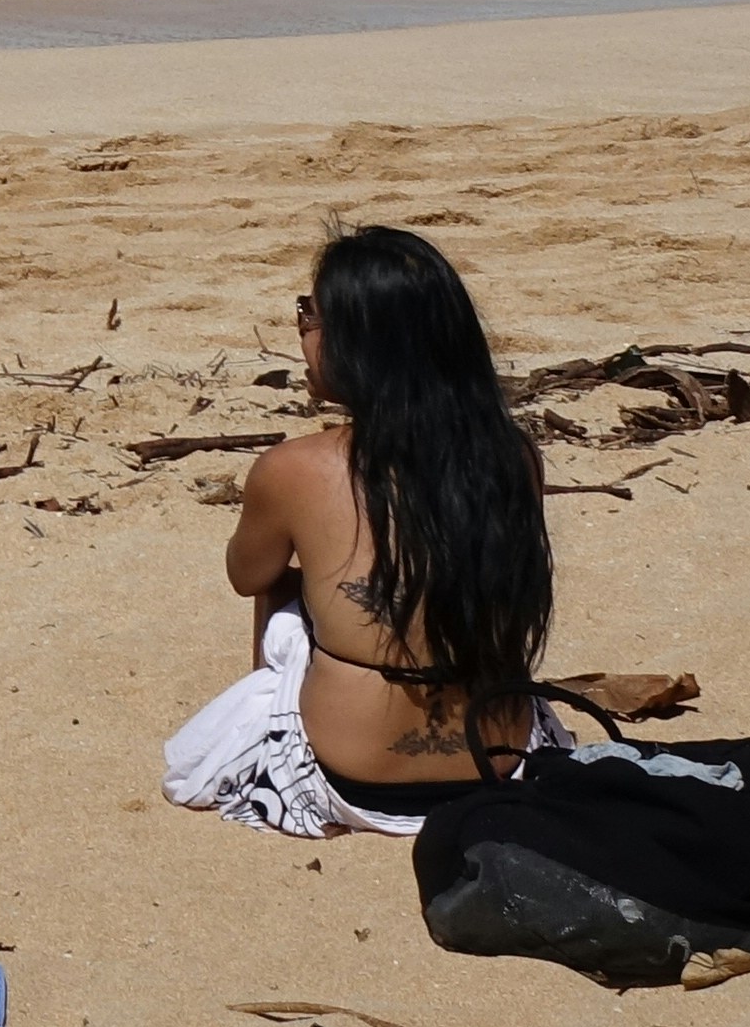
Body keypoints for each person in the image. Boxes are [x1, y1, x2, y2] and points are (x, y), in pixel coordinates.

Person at [196, 224, 560, 828]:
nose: (303, 333)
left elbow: (246, 575)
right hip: (498, 763)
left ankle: (281, 729)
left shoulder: (295, 468)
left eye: (309, 316)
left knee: (283, 584)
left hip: (347, 777)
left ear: (361, 344)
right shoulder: (511, 454)